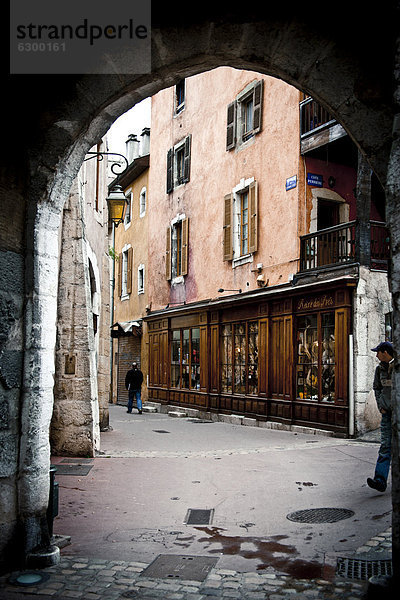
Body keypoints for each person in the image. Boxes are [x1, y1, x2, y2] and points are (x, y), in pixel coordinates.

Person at [367, 341, 395, 492]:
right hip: (387, 414)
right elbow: (377, 388)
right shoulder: (379, 369)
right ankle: (380, 480)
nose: (376, 355)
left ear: (385, 352)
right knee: (385, 446)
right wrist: (380, 405)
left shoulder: (397, 367)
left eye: (378, 352)